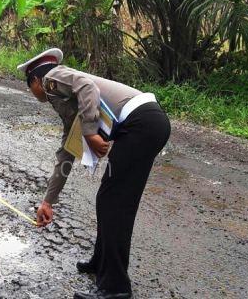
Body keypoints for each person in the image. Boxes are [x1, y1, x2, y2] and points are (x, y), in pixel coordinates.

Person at [18, 48, 171, 299]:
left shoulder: (52, 78)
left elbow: (88, 86)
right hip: (146, 124)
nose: (33, 92)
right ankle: (102, 264)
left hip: (141, 124)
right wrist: (48, 201)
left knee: (113, 202)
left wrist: (89, 132)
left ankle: (115, 288)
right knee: (112, 199)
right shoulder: (67, 102)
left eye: (29, 87)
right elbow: (67, 151)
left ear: (35, 80)